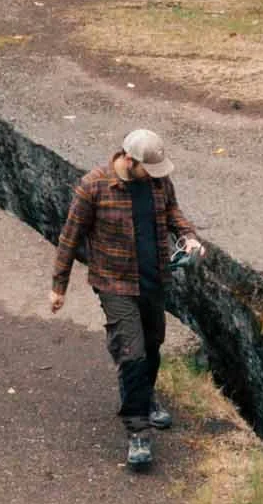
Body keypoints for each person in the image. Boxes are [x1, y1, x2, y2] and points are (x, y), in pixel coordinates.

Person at [48, 128, 206, 469]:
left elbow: (173, 212)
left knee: (152, 345)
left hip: (153, 280)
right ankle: (138, 431)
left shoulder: (157, 182)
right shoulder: (94, 187)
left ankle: (145, 397)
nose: (155, 175)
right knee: (131, 352)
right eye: (149, 169)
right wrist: (59, 285)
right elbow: (69, 236)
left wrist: (189, 238)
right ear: (129, 160)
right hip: (114, 283)